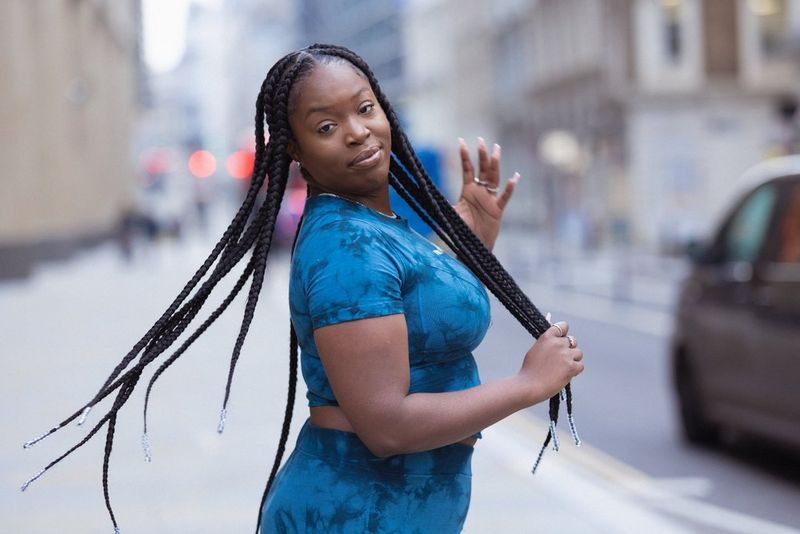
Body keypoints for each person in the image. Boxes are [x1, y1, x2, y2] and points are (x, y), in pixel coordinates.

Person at [21, 44, 584, 534]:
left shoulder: (372, 224)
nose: (357, 130)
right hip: (354, 514)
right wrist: (527, 385)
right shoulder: (345, 245)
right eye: (326, 126)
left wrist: (473, 233)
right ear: (294, 149)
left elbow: (422, 324)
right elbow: (386, 425)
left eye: (364, 108)